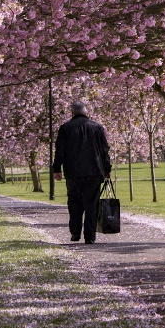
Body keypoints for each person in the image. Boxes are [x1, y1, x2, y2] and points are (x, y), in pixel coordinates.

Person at [52, 101, 112, 244]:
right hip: (94, 171)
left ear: (71, 113)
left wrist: (57, 169)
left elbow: (60, 150)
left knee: (74, 202)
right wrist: (107, 168)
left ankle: (75, 233)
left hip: (73, 171)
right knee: (92, 203)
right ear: (86, 112)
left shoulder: (65, 128)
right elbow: (104, 150)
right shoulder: (97, 128)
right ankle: (90, 236)